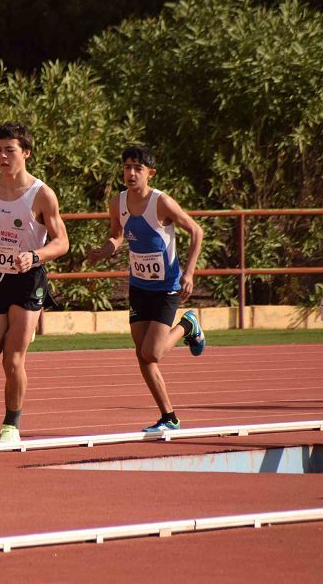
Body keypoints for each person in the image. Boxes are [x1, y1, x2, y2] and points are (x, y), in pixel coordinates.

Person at [0, 122, 69, 443]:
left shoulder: (42, 195)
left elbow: (62, 242)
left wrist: (35, 256)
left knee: (14, 358)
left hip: (27, 279)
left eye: (10, 150)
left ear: (26, 153)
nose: (3, 157)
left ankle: (11, 424)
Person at [85, 145, 206, 433]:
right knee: (142, 355)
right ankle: (169, 417)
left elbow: (196, 230)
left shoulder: (161, 203)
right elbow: (117, 235)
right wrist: (105, 250)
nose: (131, 173)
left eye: (138, 168)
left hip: (166, 287)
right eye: (127, 167)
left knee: (153, 353)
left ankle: (187, 326)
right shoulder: (118, 203)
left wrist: (189, 272)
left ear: (150, 173)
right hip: (139, 286)